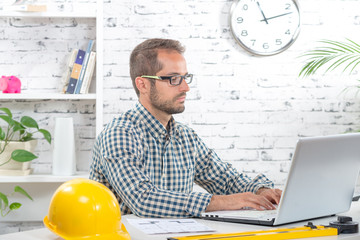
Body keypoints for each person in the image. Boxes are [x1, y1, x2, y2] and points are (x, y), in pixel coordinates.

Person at [89, 38, 282, 218]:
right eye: (173, 79)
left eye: (185, 77)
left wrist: (261, 191)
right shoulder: (119, 134)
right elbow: (143, 200)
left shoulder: (186, 137)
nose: (185, 88)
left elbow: (225, 180)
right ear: (143, 84)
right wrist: (224, 202)